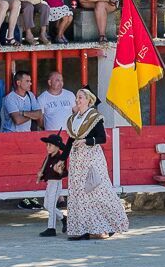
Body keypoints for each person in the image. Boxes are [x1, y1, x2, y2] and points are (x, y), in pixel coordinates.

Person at [60, 87, 129, 240]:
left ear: (89, 100)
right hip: (78, 160)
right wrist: (62, 159)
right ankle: (81, 229)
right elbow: (71, 140)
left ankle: (112, 223)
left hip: (92, 158)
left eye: (81, 98)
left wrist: (86, 141)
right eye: (77, 97)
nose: (78, 100)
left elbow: (102, 138)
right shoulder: (75, 118)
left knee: (99, 190)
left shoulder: (94, 117)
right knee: (78, 193)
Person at [36, 132, 68, 237]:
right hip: (50, 184)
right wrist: (41, 175)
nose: (47, 147)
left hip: (56, 184)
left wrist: (59, 171)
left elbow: (64, 173)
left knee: (51, 205)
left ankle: (51, 228)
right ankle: (63, 218)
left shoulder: (60, 159)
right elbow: (45, 172)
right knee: (46, 205)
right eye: (47, 145)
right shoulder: (48, 157)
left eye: (50, 145)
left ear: (57, 147)